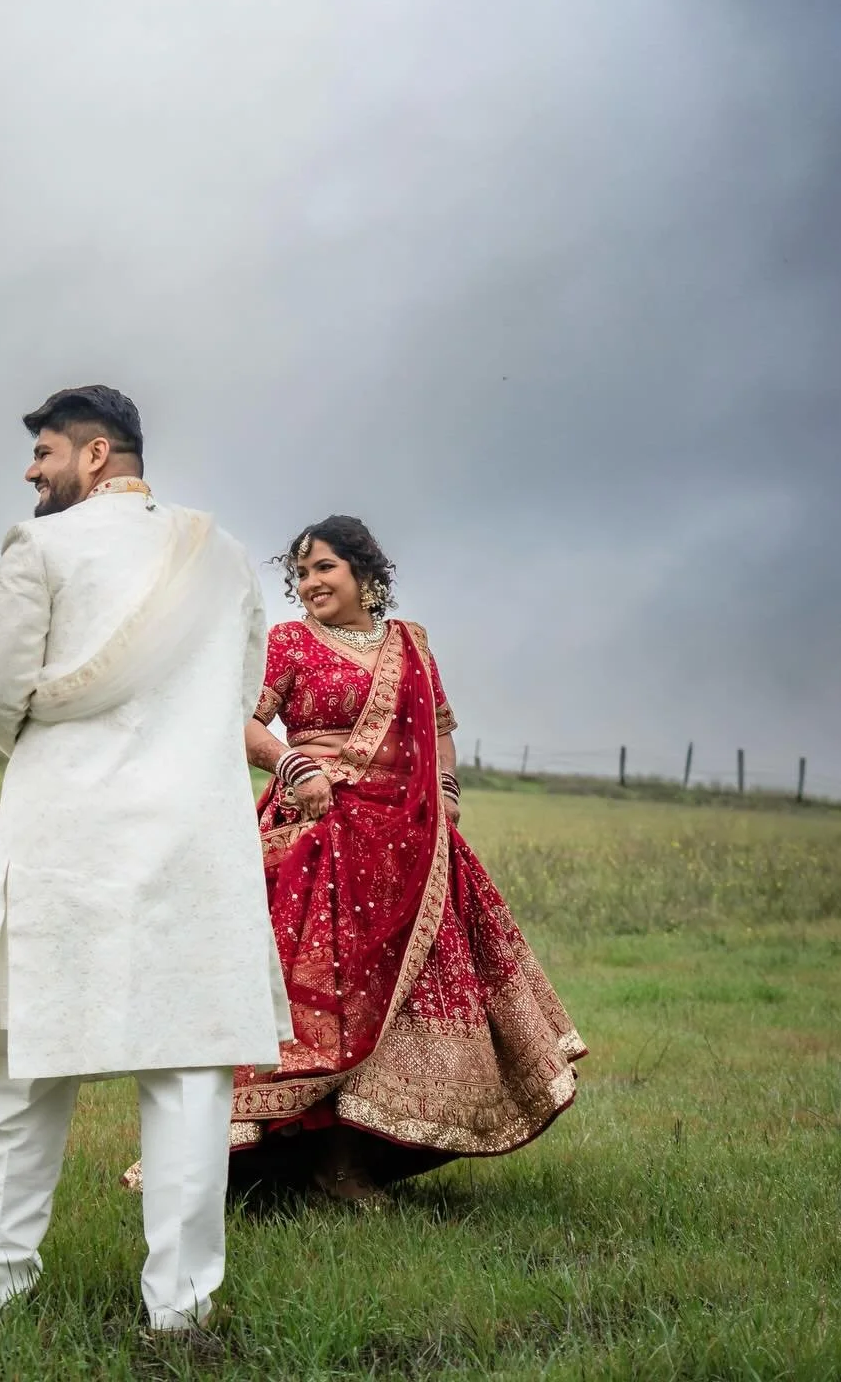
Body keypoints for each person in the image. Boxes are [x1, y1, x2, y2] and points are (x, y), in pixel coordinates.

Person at [0, 385, 290, 1336]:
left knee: (26, 1073)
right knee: (187, 1083)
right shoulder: (220, 557)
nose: (32, 471)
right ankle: (180, 1314)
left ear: (98, 456)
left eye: (46, 452)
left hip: (67, 844)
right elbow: (243, 686)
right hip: (193, 847)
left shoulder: (40, 548)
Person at [233, 515, 586, 1204]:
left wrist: (446, 791)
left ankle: (359, 1160)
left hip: (411, 847)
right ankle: (319, 1168)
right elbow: (240, 718)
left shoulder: (412, 646)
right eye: (301, 573)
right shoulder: (288, 643)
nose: (310, 584)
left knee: (402, 1008)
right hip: (321, 839)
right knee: (331, 1007)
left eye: (324, 568)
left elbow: (441, 733)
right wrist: (293, 762)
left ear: (365, 572)